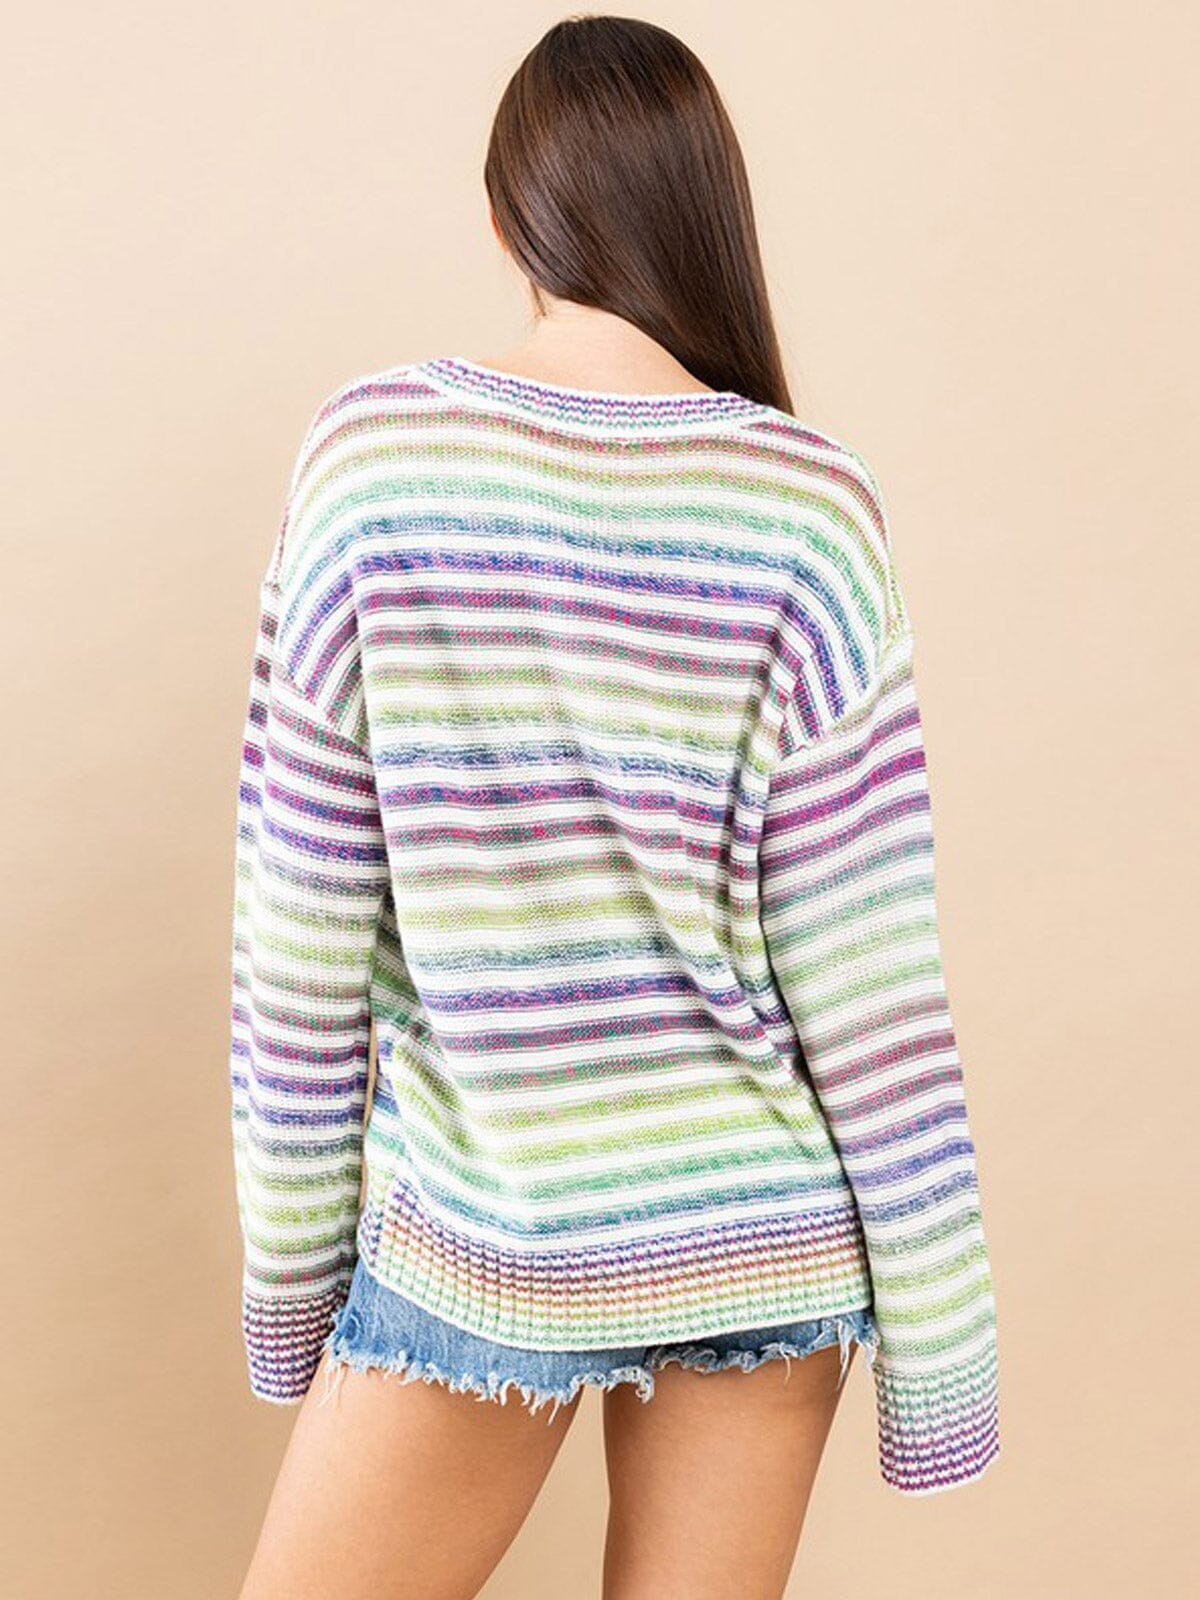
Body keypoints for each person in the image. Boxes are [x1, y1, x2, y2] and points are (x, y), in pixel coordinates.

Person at [229, 15, 999, 1599]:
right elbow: (874, 991)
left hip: (485, 1240)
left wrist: (291, 1298)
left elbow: (298, 944)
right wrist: (945, 1367)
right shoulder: (811, 504)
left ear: (505, 217)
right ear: (707, 209)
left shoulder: (375, 458)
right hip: (757, 1235)